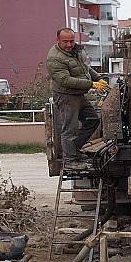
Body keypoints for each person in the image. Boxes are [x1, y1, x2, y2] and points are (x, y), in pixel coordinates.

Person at [46, 28, 108, 170]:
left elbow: (85, 68)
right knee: (70, 129)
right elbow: (65, 80)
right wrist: (92, 84)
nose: (69, 44)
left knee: (92, 120)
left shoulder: (74, 51)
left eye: (71, 41)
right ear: (58, 41)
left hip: (78, 94)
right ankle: (70, 160)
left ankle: (74, 150)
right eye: (65, 41)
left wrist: (98, 78)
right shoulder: (55, 58)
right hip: (66, 96)